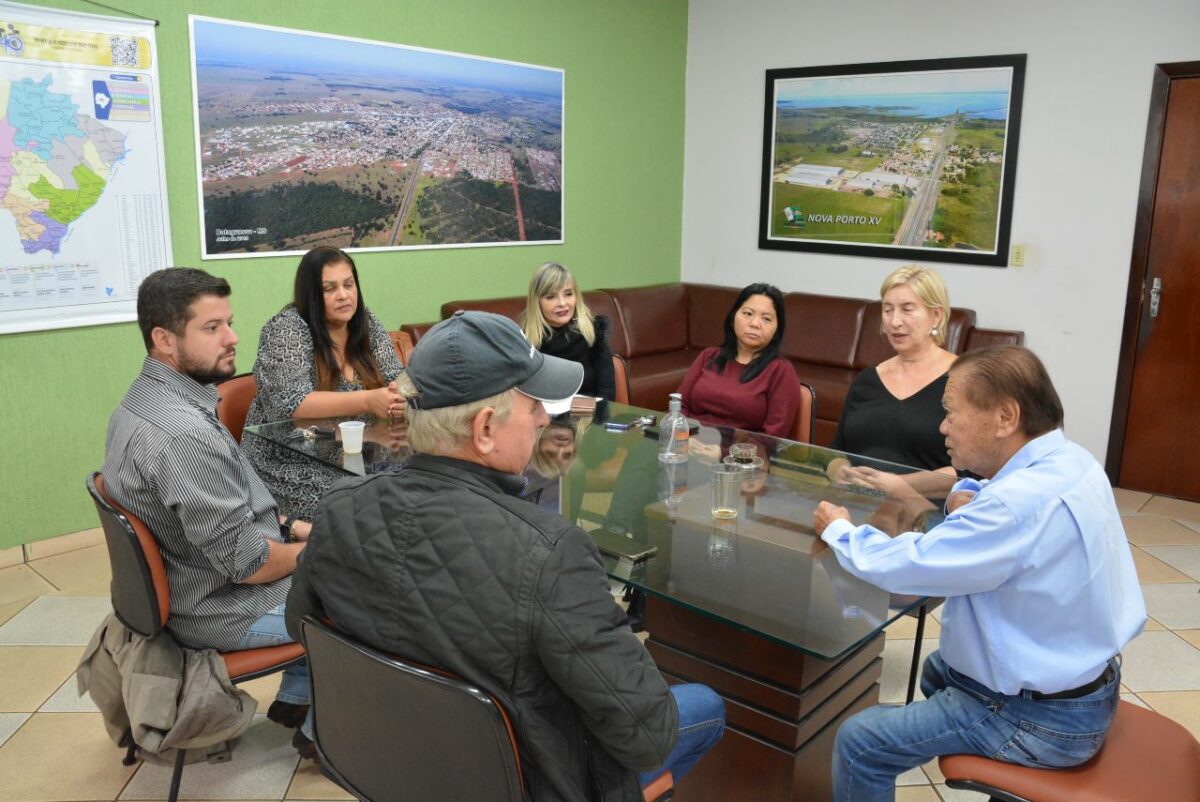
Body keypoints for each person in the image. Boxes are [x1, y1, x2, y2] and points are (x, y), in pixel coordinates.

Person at [286, 311, 725, 800]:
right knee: (703, 705)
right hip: (533, 783)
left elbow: (301, 625)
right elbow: (647, 735)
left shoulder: (339, 512)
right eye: (533, 404)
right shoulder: (550, 554)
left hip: (393, 769)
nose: (545, 417)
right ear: (485, 429)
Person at [812, 345, 1146, 802]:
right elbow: (1001, 498)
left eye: (951, 412)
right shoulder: (1076, 462)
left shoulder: (1013, 508)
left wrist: (840, 531)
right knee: (937, 669)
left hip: (1043, 721)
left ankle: (991, 745)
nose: (942, 426)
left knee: (861, 741)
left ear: (1006, 417)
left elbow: (905, 568)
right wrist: (963, 496)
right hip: (1089, 688)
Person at [103, 267, 315, 757]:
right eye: (212, 327)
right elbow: (253, 565)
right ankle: (330, 736)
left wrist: (297, 527)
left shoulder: (145, 401)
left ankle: (298, 697)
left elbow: (238, 515)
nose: (233, 337)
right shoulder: (183, 436)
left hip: (197, 582)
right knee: (376, 590)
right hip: (222, 607)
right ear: (164, 339)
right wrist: (321, 548)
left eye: (229, 323)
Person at [243, 246, 404, 521]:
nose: (343, 295)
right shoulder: (287, 328)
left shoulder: (365, 321)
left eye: (348, 284)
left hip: (355, 453)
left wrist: (399, 399)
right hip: (290, 459)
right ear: (311, 295)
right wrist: (369, 400)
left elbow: (395, 378)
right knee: (358, 508)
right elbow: (290, 403)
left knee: (419, 485)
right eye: (329, 289)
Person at [827, 265, 958, 495]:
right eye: (888, 310)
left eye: (907, 309)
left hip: (926, 514)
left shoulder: (963, 380)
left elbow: (974, 472)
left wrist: (899, 485)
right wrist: (840, 470)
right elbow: (836, 451)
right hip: (857, 505)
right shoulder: (867, 379)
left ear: (936, 316)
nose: (895, 321)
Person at [677, 282, 801, 438]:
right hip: (689, 444)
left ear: (777, 329)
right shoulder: (709, 356)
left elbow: (772, 437)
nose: (755, 324)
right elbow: (679, 405)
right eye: (748, 314)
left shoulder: (781, 371)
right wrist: (684, 439)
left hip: (740, 457)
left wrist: (722, 453)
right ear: (732, 318)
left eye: (766, 319)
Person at [519, 261, 616, 400]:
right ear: (537, 301)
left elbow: (607, 390)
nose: (562, 303)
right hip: (545, 417)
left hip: (588, 415)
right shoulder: (524, 339)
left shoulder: (593, 332)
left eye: (568, 294)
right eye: (551, 297)